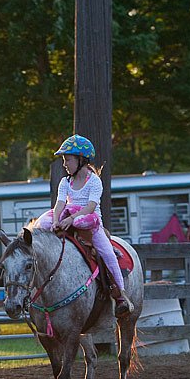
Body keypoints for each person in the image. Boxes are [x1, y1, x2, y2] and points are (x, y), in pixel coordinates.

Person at [36, 134, 134, 317]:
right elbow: (59, 204)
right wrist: (57, 219)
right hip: (68, 216)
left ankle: (120, 295)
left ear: (81, 160)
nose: (64, 164)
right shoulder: (65, 182)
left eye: (68, 159)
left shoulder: (94, 181)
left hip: (89, 221)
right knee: (44, 221)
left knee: (107, 253)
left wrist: (71, 220)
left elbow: (91, 206)